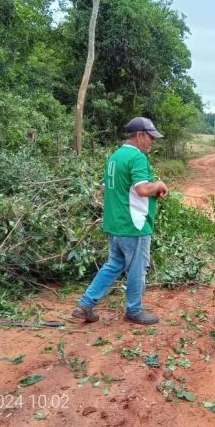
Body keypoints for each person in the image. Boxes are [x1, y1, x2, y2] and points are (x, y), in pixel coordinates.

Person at [72, 116, 168, 325]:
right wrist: (159, 185)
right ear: (139, 135)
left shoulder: (115, 157)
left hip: (115, 223)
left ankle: (85, 304)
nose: (153, 141)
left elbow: (106, 188)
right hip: (134, 225)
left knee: (114, 264)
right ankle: (134, 310)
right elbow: (142, 189)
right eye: (151, 137)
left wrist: (148, 192)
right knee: (137, 269)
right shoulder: (137, 157)